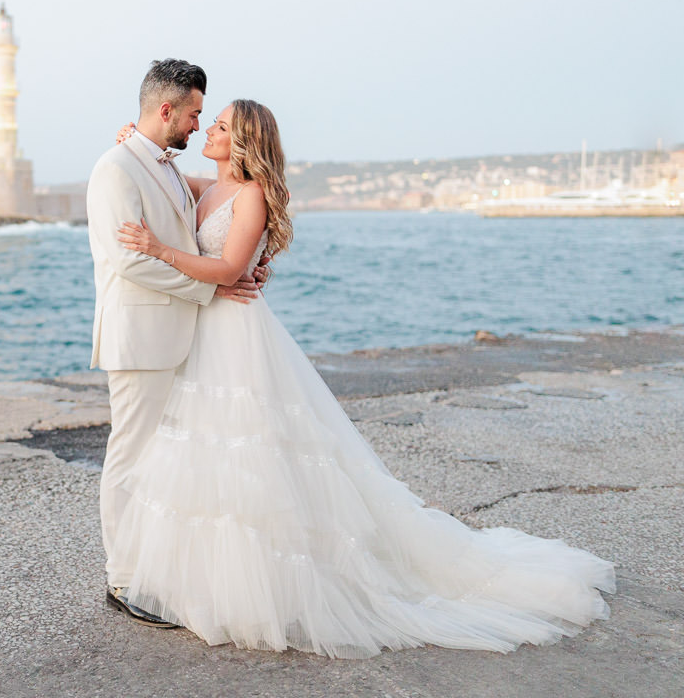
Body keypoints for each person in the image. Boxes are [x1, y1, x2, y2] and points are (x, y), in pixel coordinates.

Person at [111, 99, 615, 658]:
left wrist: (158, 250)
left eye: (222, 125)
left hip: (237, 335)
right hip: (208, 333)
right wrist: (139, 140)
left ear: (245, 141)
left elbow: (230, 270)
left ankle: (275, 587)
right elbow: (169, 174)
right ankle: (205, 579)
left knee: (253, 455)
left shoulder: (251, 195)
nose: (208, 129)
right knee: (210, 456)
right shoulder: (210, 186)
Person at [85, 60, 263, 627]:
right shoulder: (117, 168)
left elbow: (223, 221)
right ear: (167, 110)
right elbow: (129, 260)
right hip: (140, 338)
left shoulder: (161, 164)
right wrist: (210, 292)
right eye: (192, 115)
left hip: (176, 339)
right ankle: (123, 580)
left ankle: (157, 569)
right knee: (131, 458)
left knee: (163, 461)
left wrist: (242, 270)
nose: (197, 125)